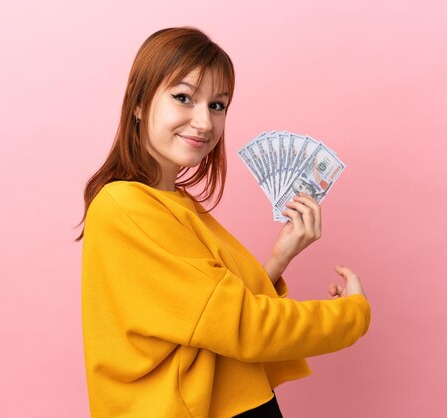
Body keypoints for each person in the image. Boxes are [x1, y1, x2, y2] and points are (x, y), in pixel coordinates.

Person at [75, 27, 370, 418]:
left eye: (218, 105)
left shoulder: (176, 204)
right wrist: (352, 316)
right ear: (140, 103)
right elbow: (245, 326)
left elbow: (207, 319)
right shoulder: (125, 206)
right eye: (183, 98)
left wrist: (279, 258)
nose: (203, 122)